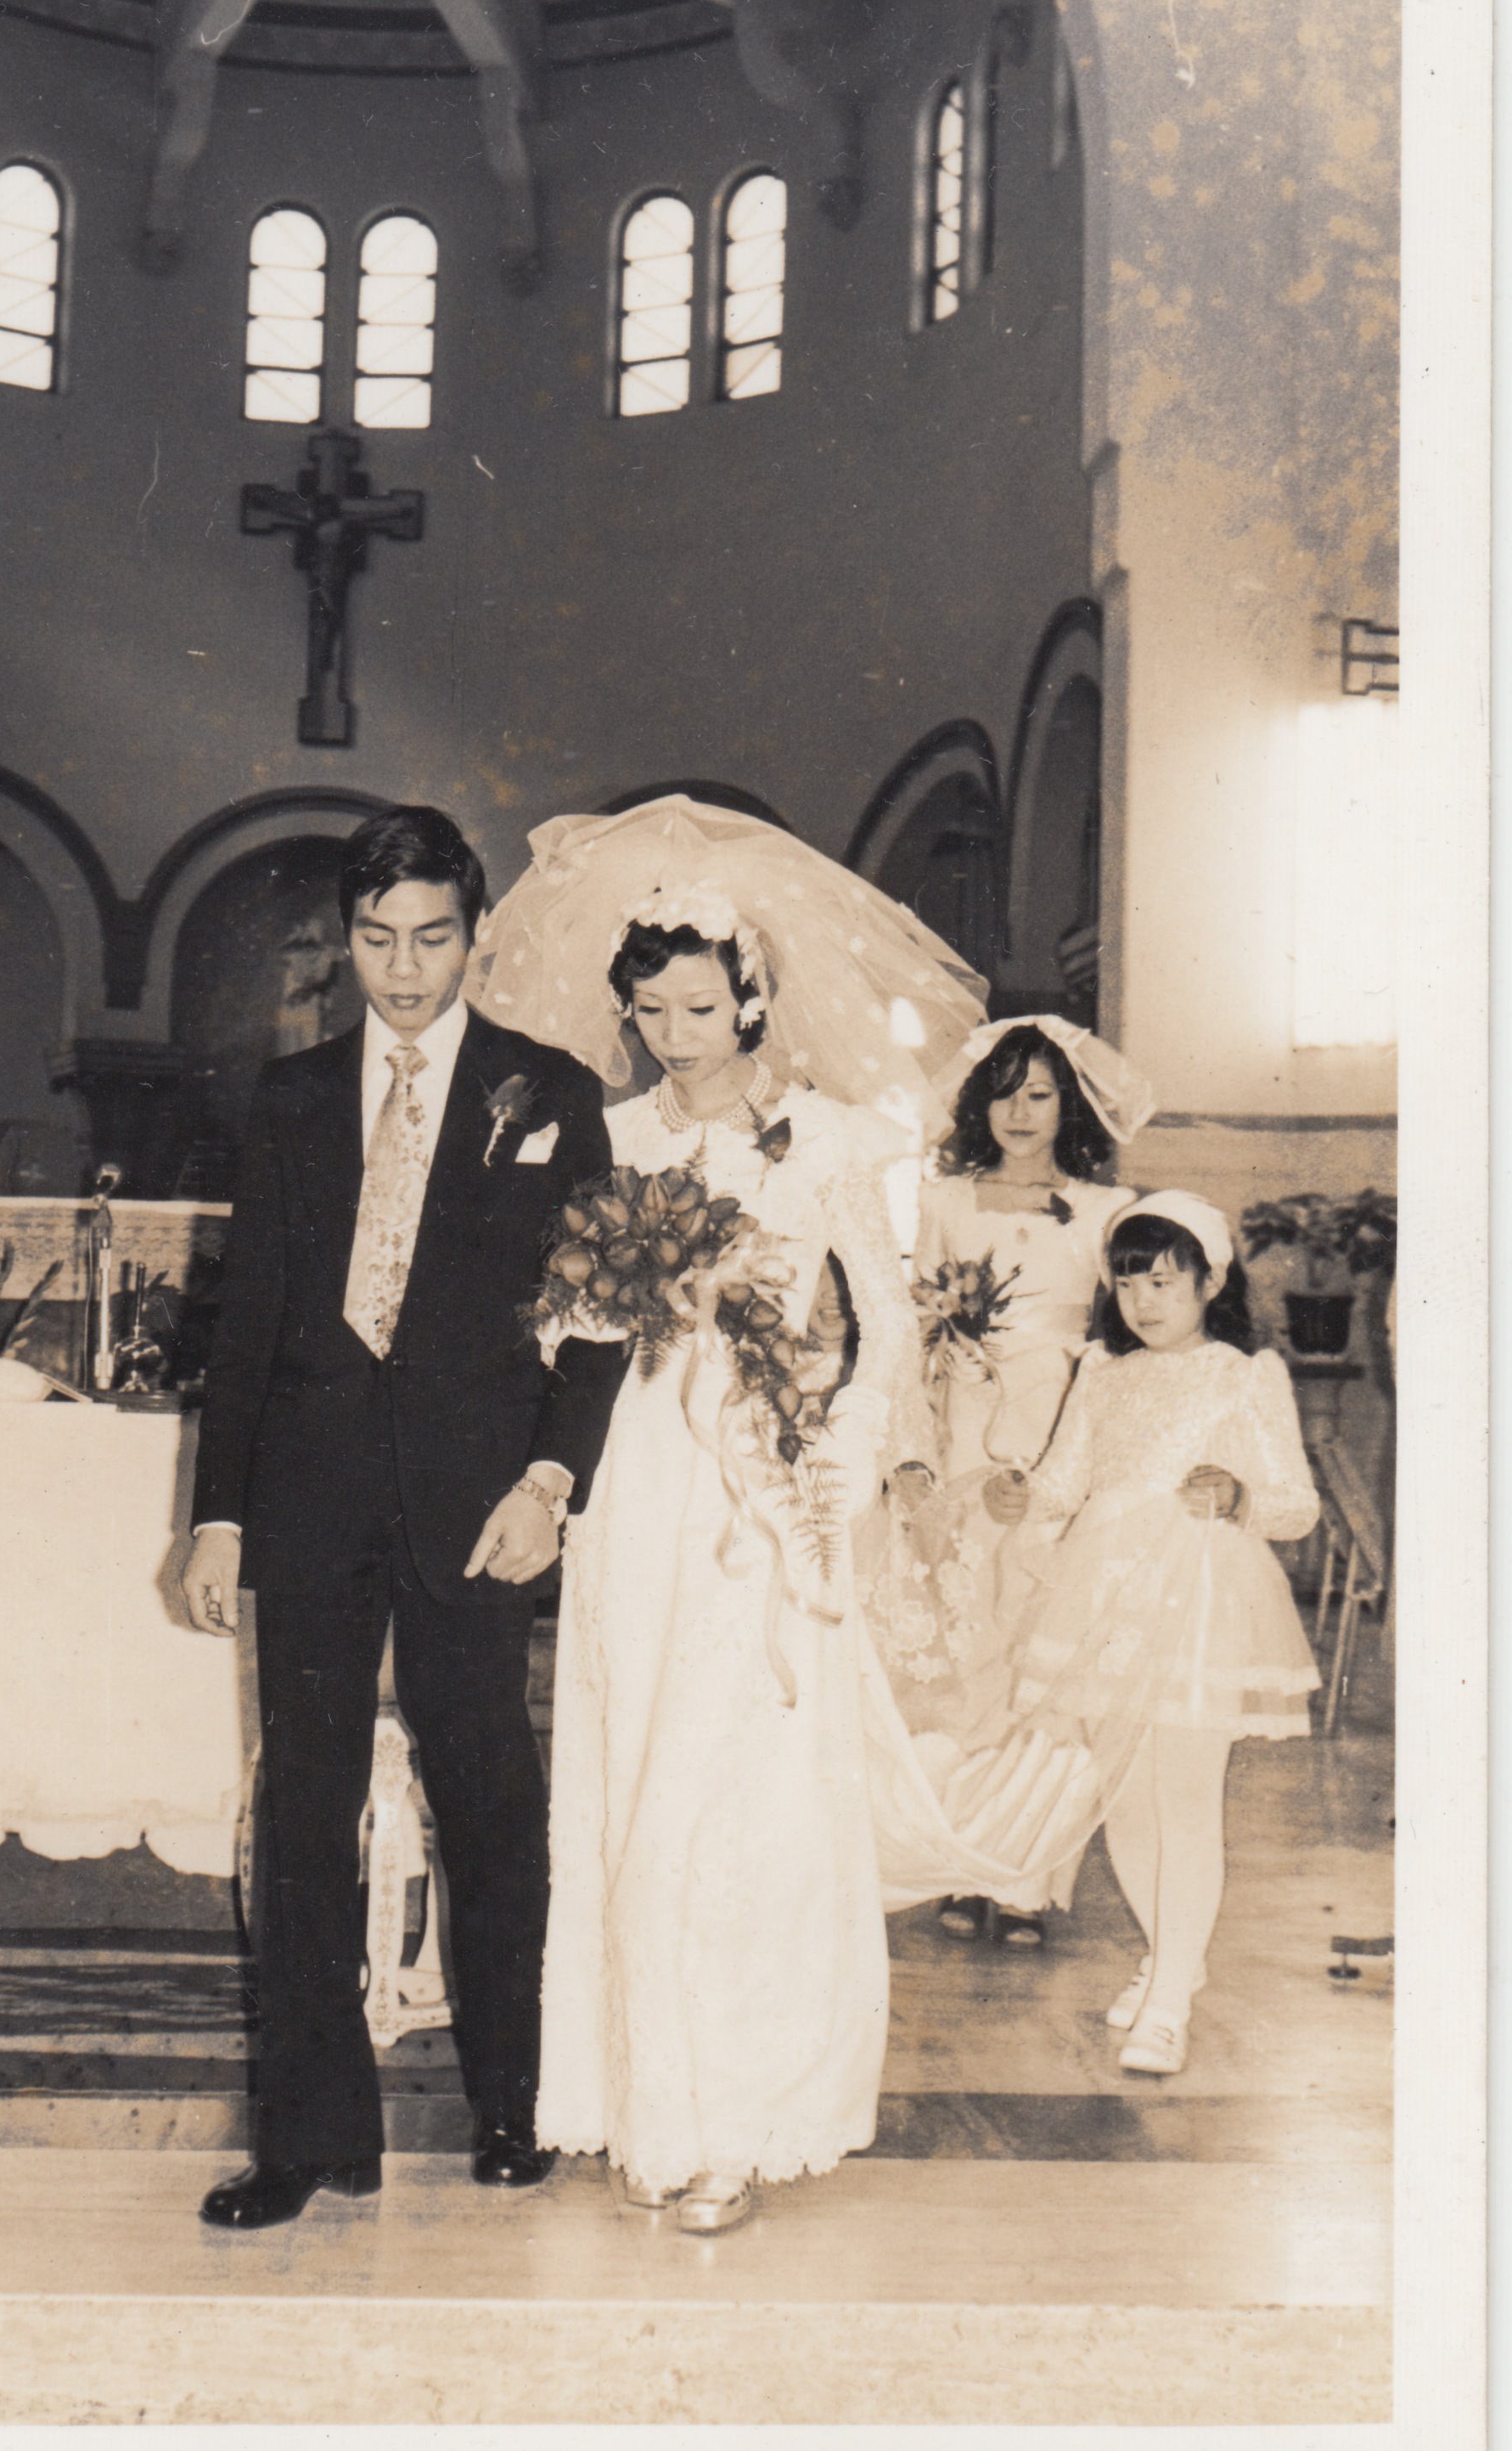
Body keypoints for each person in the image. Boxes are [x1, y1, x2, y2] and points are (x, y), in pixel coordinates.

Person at [466, 795, 989, 2231]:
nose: (671, 1035)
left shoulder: (825, 1140)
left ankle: (738, 2119)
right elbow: (558, 1314)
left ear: (751, 995)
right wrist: (618, 1294)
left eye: (697, 1006)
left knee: (736, 1789)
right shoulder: (609, 1133)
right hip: (634, 1476)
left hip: (765, 1481)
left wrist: (842, 1451)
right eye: (648, 1012)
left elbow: (887, 1328)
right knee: (633, 1761)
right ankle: (632, 2090)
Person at [176, 806, 627, 2230]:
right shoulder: (293, 1096)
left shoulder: (547, 1091)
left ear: (475, 934)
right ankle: (309, 2139)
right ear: (346, 941)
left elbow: (600, 1317)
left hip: (474, 1505)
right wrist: (219, 1517)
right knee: (300, 1810)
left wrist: (551, 1483)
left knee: (490, 1799)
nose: (405, 968)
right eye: (376, 939)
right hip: (309, 1499)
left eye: (431, 936)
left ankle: (510, 2102)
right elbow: (245, 1321)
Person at [981, 1193, 1320, 2073]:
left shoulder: (1245, 1375)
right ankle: (1177, 1959)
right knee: (1122, 1799)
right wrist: (1018, 1494)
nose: (1144, 1302)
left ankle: (1166, 1999)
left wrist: (1240, 1499)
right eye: (1128, 1283)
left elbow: (1295, 1506)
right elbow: (1062, 1482)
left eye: (1165, 1282)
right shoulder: (1100, 1369)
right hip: (1102, 1597)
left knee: (1183, 1797)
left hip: (1198, 1597)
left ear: (1212, 1281)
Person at [868, 1018, 1152, 1948]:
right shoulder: (943, 1197)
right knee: (968, 1641)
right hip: (961, 1429)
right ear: (977, 1102)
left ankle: (1030, 1875)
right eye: (1003, 1091)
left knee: (1046, 1643)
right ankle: (968, 1854)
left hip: (1060, 1431)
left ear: (1068, 1101)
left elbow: (1123, 1345)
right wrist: (911, 1450)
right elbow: (912, 1326)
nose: (1020, 1112)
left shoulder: (1107, 1206)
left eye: (1039, 1093)